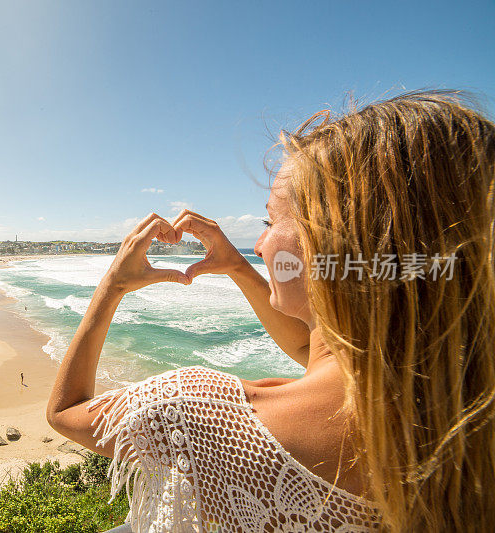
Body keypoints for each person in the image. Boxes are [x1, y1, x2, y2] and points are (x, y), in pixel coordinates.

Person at [46, 91, 495, 532]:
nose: (259, 245)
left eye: (270, 221)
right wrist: (238, 267)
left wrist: (113, 285)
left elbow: (67, 411)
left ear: (333, 241)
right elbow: (312, 349)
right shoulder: (455, 400)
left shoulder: (198, 413)